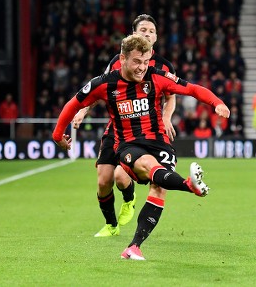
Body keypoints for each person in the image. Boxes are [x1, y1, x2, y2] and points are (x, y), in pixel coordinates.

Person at [53, 34, 230, 260]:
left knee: (159, 188)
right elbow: (73, 104)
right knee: (146, 166)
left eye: (146, 62)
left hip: (159, 142)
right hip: (128, 144)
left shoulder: (157, 77)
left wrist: (218, 103)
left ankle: (134, 246)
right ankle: (189, 185)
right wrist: (57, 135)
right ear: (123, 59)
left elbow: (192, 89)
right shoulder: (104, 83)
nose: (142, 68)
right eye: (137, 61)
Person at [72, 14, 176, 238]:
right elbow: (98, 87)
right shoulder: (119, 61)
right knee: (103, 180)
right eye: (142, 30)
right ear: (133, 35)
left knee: (121, 176)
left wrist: (167, 117)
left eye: (151, 31)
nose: (146, 33)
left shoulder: (164, 66)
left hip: (147, 130)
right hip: (118, 126)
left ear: (156, 37)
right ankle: (111, 225)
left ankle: (129, 200)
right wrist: (82, 111)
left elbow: (172, 95)